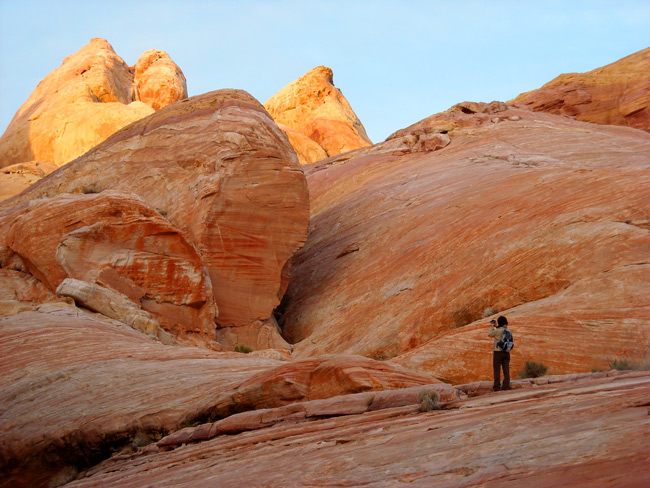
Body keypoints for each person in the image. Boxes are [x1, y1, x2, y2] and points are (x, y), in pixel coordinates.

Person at [488, 315, 510, 391]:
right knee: (506, 370)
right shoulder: (508, 331)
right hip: (506, 352)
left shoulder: (498, 331)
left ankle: (497, 387)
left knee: (497, 370)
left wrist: (492, 326)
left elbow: (489, 334)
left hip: (498, 352)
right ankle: (506, 386)